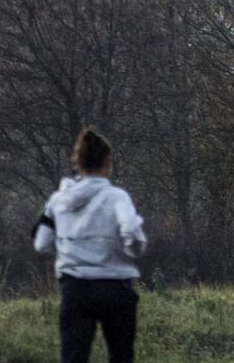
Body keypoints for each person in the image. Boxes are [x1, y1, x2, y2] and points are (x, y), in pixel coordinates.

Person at [33, 127, 147, 363]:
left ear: (78, 163)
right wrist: (133, 250)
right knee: (121, 355)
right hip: (116, 287)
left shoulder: (58, 200)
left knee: (74, 356)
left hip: (75, 288)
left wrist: (69, 249)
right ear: (108, 162)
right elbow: (132, 234)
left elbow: (41, 243)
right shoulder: (117, 197)